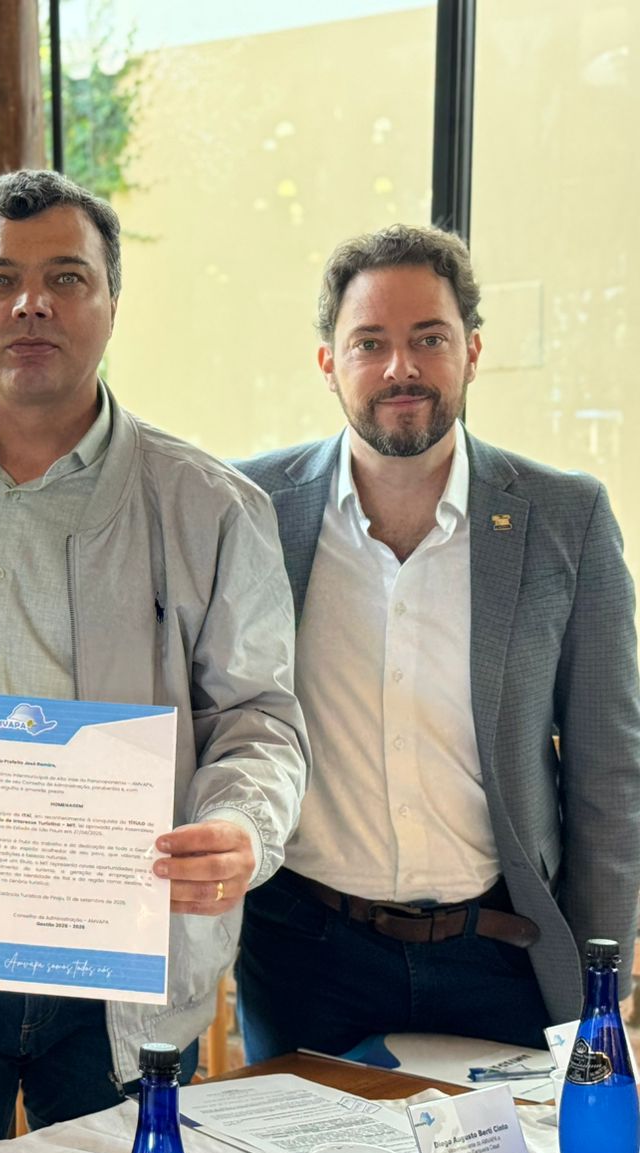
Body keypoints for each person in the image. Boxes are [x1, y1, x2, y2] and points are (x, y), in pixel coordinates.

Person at [0, 169, 308, 1153]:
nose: (29, 303)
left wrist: (244, 825)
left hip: (121, 940)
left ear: (111, 302)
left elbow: (259, 715)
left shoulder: (209, 505)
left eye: (65, 278)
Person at [235, 224, 640, 1059]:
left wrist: (604, 976)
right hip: (304, 954)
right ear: (328, 362)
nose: (401, 368)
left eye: (429, 338)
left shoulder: (565, 519)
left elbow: (608, 767)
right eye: (369, 343)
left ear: (472, 351)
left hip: (504, 955)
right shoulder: (250, 508)